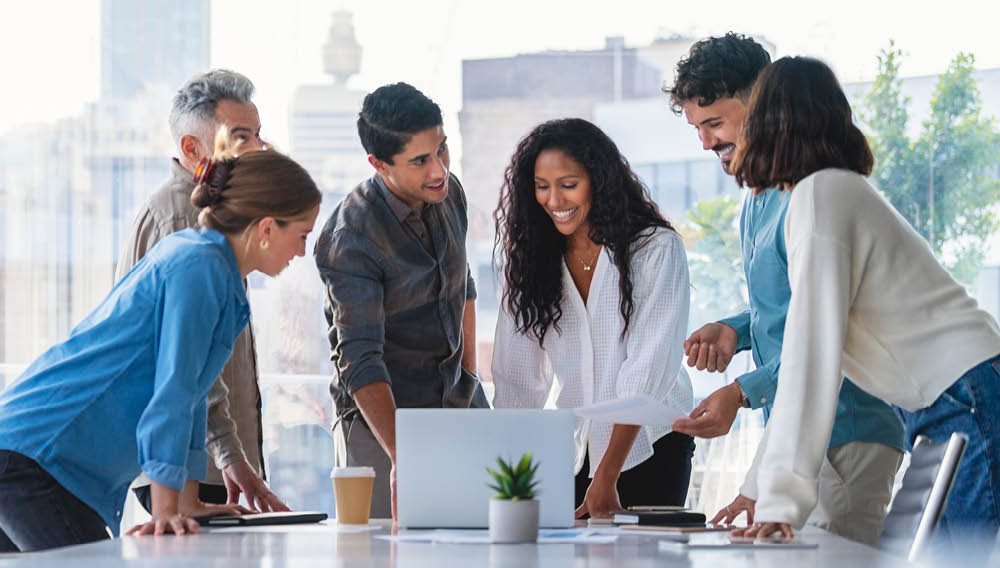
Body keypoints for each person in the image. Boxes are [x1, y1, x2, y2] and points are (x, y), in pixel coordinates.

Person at [725, 56, 1000, 550]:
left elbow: (810, 358)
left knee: (955, 561)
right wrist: (763, 490)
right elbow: (804, 362)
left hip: (964, 394)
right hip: (954, 396)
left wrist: (780, 503)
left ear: (766, 124)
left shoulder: (821, 196)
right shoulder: (832, 191)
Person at [0, 138, 322, 552]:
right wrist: (165, 509)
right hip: (36, 456)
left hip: (34, 454)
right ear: (265, 229)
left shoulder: (215, 270)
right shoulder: (198, 268)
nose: (302, 250)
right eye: (301, 234)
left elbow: (191, 397)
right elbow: (171, 392)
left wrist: (186, 503)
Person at [665, 34, 905, 545]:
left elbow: (827, 333)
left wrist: (741, 392)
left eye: (715, 123)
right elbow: (789, 309)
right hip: (797, 434)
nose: (706, 143)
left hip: (846, 433)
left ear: (764, 104)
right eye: (697, 129)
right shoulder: (757, 197)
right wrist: (735, 330)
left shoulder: (815, 194)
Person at [492, 118, 695, 518]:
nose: (554, 200)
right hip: (575, 451)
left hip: (650, 446)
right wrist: (509, 483)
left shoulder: (655, 249)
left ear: (599, 180)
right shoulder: (530, 263)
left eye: (569, 184)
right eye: (542, 186)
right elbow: (517, 383)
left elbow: (646, 371)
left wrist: (606, 477)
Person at [117, 69, 287, 514]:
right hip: (194, 469)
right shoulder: (179, 221)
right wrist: (230, 454)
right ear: (192, 149)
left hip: (213, 465)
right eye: (242, 137)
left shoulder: (214, 213)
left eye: (258, 136)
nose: (259, 150)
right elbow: (181, 363)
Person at [315, 82, 487, 522]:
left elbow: (463, 285)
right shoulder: (351, 235)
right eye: (420, 161)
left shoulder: (450, 196)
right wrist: (402, 456)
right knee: (384, 553)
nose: (439, 171)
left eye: (442, 150)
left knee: (476, 543)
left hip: (456, 402)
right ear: (378, 163)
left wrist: (468, 374)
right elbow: (360, 359)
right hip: (381, 424)